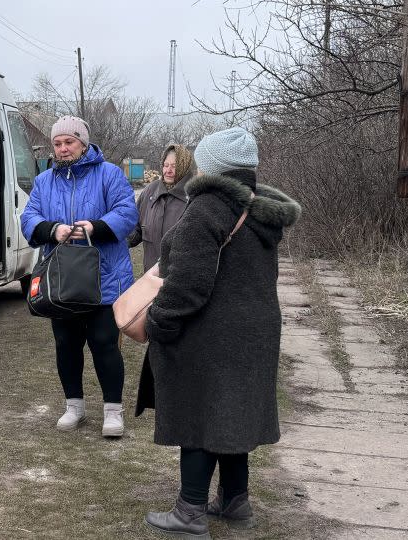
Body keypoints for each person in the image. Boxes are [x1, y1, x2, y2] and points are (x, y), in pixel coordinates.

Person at [138, 127, 301, 537]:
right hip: (255, 330)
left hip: (211, 333)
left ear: (210, 167)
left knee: (199, 414)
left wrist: (160, 320)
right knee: (232, 413)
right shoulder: (260, 209)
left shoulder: (208, 207)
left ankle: (190, 510)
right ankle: (234, 500)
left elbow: (188, 284)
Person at [20, 115, 138, 438]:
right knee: (66, 343)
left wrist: (94, 227)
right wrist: (51, 229)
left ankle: (113, 411)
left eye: (68, 142)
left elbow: (127, 212)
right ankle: (74, 406)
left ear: (83, 144)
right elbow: (29, 217)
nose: (62, 149)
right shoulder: (45, 182)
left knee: (104, 342)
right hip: (61, 280)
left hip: (105, 278)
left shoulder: (109, 174)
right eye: (57, 144)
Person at [127, 143, 195, 272]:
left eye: (175, 166)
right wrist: (118, 242)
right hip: (150, 276)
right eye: (165, 165)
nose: (168, 170)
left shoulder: (194, 196)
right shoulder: (150, 191)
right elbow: (135, 229)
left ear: (184, 167)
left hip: (180, 281)